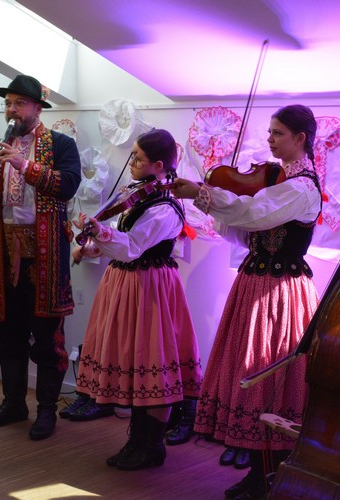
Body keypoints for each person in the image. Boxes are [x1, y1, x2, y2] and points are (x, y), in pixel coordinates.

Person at [171, 105, 322, 499]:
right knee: (248, 370)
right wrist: (221, 206)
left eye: (278, 133)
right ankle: (258, 471)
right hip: (253, 283)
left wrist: (204, 194)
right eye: (270, 132)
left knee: (270, 374)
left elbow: (255, 213)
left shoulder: (302, 187)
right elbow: (244, 231)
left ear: (300, 138)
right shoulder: (276, 181)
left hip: (281, 291)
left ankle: (272, 476)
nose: (270, 139)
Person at [72, 128, 202, 470]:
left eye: (138, 157)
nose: (131, 161)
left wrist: (99, 231)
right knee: (133, 362)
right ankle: (137, 441)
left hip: (149, 287)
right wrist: (92, 245)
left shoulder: (166, 208)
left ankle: (151, 445)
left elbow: (131, 247)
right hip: (125, 284)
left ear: (159, 165)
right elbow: (120, 239)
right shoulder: (138, 195)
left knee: (152, 362)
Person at [0, 74, 81, 441]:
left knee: (47, 338)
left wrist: (23, 165)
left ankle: (46, 410)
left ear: (38, 107)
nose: (11, 110)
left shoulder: (61, 144)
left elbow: (68, 185)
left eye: (19, 103)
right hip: (5, 254)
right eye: (8, 103)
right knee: (7, 333)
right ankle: (13, 403)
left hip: (46, 256)